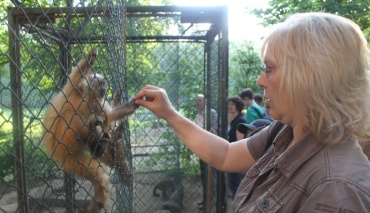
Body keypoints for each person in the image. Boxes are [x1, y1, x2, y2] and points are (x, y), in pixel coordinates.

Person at [134, 12, 370, 212]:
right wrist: (170, 113)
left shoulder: (337, 189)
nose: (260, 81)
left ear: (310, 77)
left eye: (269, 69)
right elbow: (225, 154)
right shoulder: (285, 131)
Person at [193, 94, 217, 210]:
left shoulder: (211, 113)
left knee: (212, 176)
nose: (197, 102)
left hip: (211, 148)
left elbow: (215, 128)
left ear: (205, 101)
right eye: (196, 100)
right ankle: (205, 200)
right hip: (201, 148)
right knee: (204, 177)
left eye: (199, 100)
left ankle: (213, 201)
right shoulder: (197, 115)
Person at [226, 96, 246, 199]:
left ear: (238, 106)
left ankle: (238, 201)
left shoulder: (240, 121)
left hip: (236, 154)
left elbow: (240, 142)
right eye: (229, 104)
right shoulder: (235, 120)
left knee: (235, 181)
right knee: (233, 180)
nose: (230, 106)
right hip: (233, 153)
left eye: (232, 104)